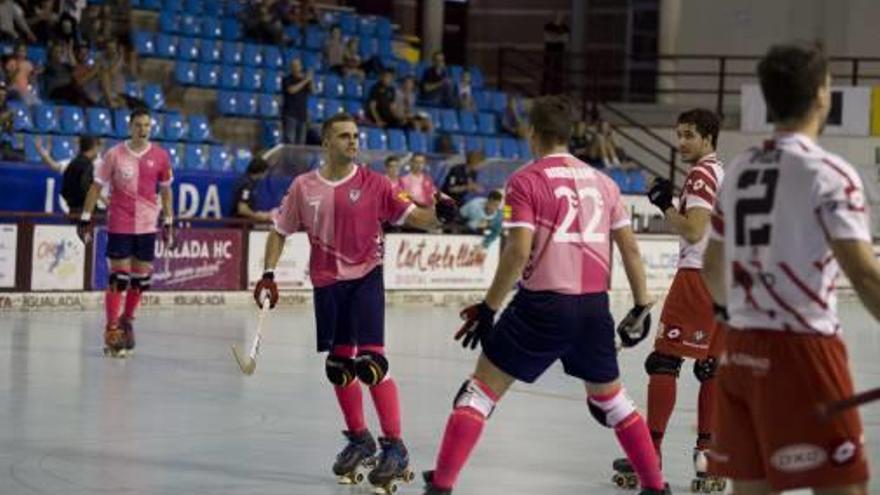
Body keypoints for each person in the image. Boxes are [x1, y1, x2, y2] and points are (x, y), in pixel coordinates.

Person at [421, 96, 668, 495]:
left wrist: (489, 307)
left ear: (532, 133)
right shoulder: (605, 182)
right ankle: (657, 488)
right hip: (593, 307)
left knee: (479, 392)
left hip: (542, 305)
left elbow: (518, 252)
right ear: (569, 134)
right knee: (614, 401)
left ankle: (442, 486)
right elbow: (630, 249)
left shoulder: (526, 180)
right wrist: (642, 304)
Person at [252, 113, 459, 490]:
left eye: (355, 136)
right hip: (327, 283)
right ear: (327, 143)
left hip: (365, 277)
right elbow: (280, 231)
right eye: (344, 136)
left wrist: (441, 216)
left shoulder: (376, 183)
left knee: (371, 363)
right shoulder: (302, 186)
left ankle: (395, 446)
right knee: (338, 367)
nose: (352, 142)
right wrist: (268, 274)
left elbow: (417, 216)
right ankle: (360, 439)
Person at [702, 42, 874, 495]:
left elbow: (712, 265)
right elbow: (866, 276)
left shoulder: (738, 170)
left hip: (739, 348)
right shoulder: (830, 173)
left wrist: (726, 315)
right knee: (844, 488)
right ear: (822, 95)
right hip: (804, 350)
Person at [611, 108, 725, 491]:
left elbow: (694, 231)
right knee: (711, 367)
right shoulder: (722, 173)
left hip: (697, 276)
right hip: (724, 278)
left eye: (689, 135)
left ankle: (650, 453)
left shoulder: (701, 174)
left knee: (664, 361)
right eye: (678, 134)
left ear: (708, 137)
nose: (681, 142)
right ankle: (707, 456)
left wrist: (664, 205)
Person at [77, 107, 174, 358]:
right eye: (139, 125)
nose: (143, 130)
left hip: (147, 225)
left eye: (147, 126)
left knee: (141, 282)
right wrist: (85, 217)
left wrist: (170, 220)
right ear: (130, 127)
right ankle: (111, 329)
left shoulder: (161, 156)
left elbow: (165, 191)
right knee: (118, 279)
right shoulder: (114, 155)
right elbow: (96, 187)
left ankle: (127, 322)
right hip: (120, 223)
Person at [35, 134, 102, 215]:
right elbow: (55, 166)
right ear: (95, 147)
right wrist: (43, 153)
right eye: (99, 147)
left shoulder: (103, 164)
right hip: (86, 211)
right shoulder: (76, 163)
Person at [229, 155, 272, 222]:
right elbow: (242, 209)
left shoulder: (249, 182)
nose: (266, 174)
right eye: (266, 172)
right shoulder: (247, 185)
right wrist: (258, 216)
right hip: (240, 225)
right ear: (261, 171)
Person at [281, 58, 314, 145]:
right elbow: (291, 90)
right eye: (294, 66)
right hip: (290, 114)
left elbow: (313, 91)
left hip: (302, 115)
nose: (296, 68)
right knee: (289, 140)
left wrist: (311, 79)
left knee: (301, 142)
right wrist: (305, 80)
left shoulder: (303, 80)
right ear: (291, 68)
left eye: (298, 66)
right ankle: (288, 158)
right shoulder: (287, 79)